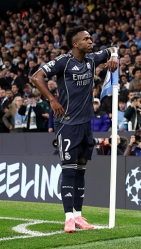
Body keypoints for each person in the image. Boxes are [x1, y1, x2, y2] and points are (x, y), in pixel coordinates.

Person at [30, 25, 118, 233]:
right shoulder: (64, 62)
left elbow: (113, 48)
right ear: (75, 43)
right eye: (86, 39)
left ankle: (78, 216)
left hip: (85, 124)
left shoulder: (91, 59)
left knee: (80, 171)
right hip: (67, 123)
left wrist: (113, 56)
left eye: (91, 38)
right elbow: (36, 77)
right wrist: (52, 100)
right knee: (69, 171)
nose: (91, 41)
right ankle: (68, 218)